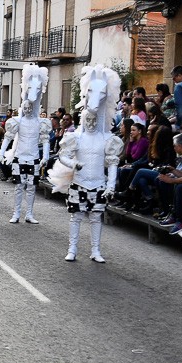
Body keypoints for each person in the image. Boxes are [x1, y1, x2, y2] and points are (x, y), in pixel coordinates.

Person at [49, 65, 123, 263]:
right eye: (87, 119)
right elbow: (62, 156)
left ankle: (95, 250)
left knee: (96, 217)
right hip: (80, 182)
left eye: (93, 119)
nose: (90, 122)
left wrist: (110, 185)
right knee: (76, 217)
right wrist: (74, 164)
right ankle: (72, 249)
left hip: (98, 183)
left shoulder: (107, 139)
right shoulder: (75, 137)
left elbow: (113, 163)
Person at [0, 64, 50, 223]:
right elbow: (8, 137)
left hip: (33, 158)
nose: (28, 109)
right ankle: (16, 213)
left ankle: (29, 214)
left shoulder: (40, 123)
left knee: (32, 187)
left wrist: (46, 156)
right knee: (18, 186)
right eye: (26, 107)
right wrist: (2, 152)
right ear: (23, 107)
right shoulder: (17, 121)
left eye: (30, 107)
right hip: (20, 157)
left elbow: (45, 140)